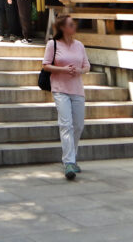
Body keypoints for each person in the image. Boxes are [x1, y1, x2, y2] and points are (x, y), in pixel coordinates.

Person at [43, 15, 91, 180]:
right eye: (71, 24)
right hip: (60, 88)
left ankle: (73, 157)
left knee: (78, 125)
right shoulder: (53, 44)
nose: (74, 27)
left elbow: (87, 66)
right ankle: (69, 162)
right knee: (66, 124)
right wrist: (63, 69)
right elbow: (45, 65)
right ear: (63, 28)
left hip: (77, 88)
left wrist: (80, 71)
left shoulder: (79, 45)